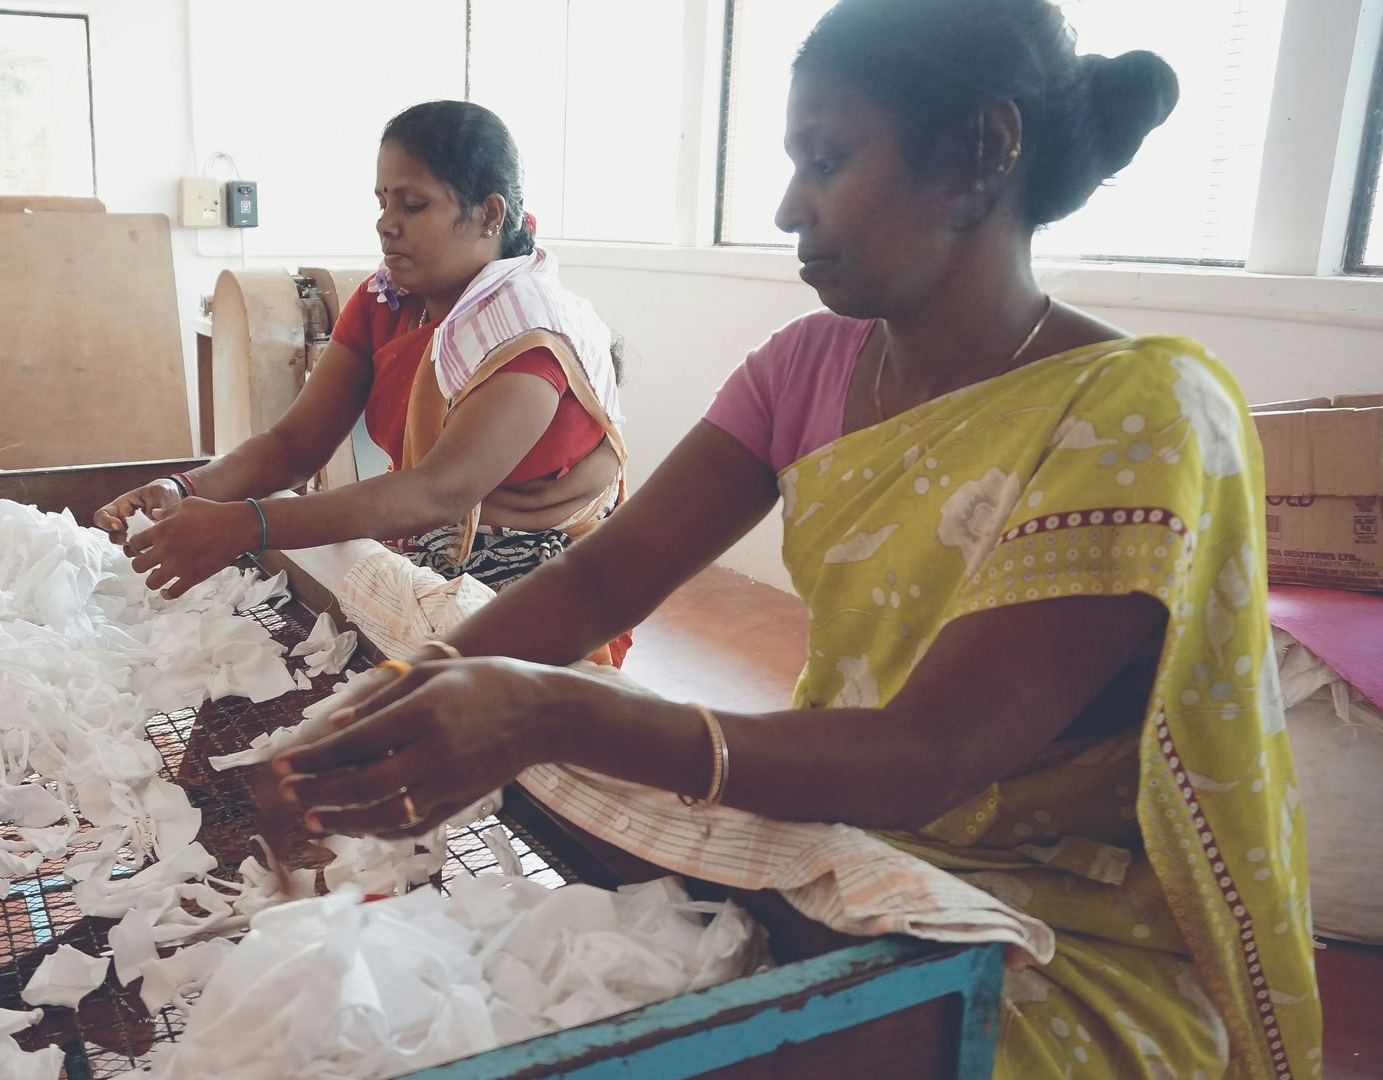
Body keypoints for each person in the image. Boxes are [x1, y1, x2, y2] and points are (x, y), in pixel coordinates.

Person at [268, 0, 1322, 1075]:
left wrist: (548, 711)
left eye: (826, 160)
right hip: (845, 850)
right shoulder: (809, 365)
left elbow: (929, 755)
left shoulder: (1138, 415)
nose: (785, 207)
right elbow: (598, 588)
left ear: (985, 151)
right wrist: (398, 693)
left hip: (1042, 934)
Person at [98, 101, 632, 662]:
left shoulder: (527, 337)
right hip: (428, 548)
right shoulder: (389, 303)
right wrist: (185, 490)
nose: (385, 223)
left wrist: (243, 525)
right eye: (382, 202)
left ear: (489, 214)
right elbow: (294, 445)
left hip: (539, 591)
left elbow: (438, 492)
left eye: (413, 204)